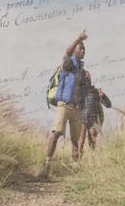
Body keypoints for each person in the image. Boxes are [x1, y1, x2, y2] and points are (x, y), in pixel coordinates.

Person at [39, 30, 88, 177]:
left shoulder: (82, 70)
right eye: (81, 48)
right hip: (64, 105)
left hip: (77, 108)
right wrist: (77, 39)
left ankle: (75, 170)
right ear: (74, 50)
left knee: (75, 140)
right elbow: (66, 53)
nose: (83, 51)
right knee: (56, 134)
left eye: (84, 49)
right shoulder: (69, 62)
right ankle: (46, 167)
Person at [78, 71, 112, 158]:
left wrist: (103, 96)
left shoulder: (96, 91)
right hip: (82, 119)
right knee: (81, 140)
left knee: (92, 138)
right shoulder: (78, 92)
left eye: (87, 77)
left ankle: (92, 158)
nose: (86, 79)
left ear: (90, 79)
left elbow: (108, 105)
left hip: (93, 119)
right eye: (84, 77)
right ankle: (78, 160)